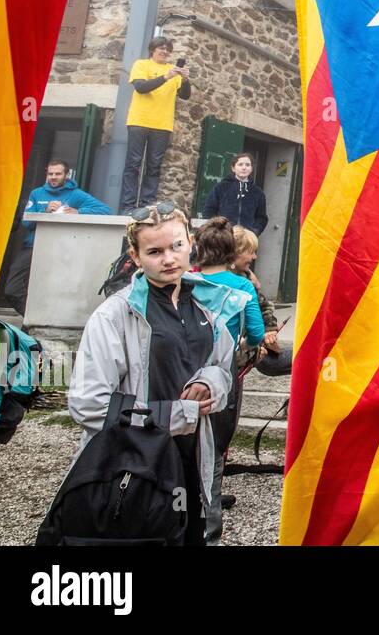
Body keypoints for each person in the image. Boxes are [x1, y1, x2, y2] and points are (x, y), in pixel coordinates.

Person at [64, 203, 235, 545]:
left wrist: (210, 382)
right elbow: (88, 404)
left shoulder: (208, 303)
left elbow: (222, 365)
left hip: (191, 458)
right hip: (132, 467)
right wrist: (174, 414)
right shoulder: (114, 315)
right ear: (136, 256)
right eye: (154, 251)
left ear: (190, 243)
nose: (169, 259)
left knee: (188, 535)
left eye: (176, 247)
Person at [192, 216, 263, 542]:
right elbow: (257, 333)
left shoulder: (184, 280)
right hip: (222, 373)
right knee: (217, 445)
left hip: (182, 368)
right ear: (232, 252)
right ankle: (210, 523)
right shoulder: (243, 287)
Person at [5, 159, 111, 315]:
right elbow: (26, 223)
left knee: (47, 292)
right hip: (32, 247)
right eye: (50, 174)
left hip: (60, 251)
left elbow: (105, 210)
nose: (53, 177)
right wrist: (44, 211)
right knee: (12, 290)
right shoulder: (37, 193)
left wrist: (78, 212)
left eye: (58, 174)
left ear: (66, 175)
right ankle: (32, 317)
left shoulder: (75, 194)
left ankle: (32, 323)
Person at [120, 37, 192, 213]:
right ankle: (128, 206)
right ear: (152, 49)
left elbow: (185, 95)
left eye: (168, 49)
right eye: (161, 48)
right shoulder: (142, 65)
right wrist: (166, 76)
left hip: (162, 124)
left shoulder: (173, 70)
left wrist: (185, 80)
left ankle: (146, 205)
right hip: (139, 121)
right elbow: (141, 88)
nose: (165, 52)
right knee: (133, 164)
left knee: (154, 166)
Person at [233, 226, 291, 377]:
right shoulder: (235, 283)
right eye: (250, 252)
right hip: (237, 356)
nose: (254, 257)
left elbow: (263, 306)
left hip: (251, 351)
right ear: (235, 253)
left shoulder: (247, 278)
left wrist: (270, 329)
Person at [201, 153, 268, 234]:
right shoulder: (221, 187)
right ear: (233, 168)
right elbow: (208, 211)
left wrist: (254, 231)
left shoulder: (258, 192)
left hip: (246, 238)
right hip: (224, 236)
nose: (244, 168)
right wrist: (218, 230)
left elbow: (261, 218)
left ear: (251, 168)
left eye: (247, 165)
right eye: (240, 164)